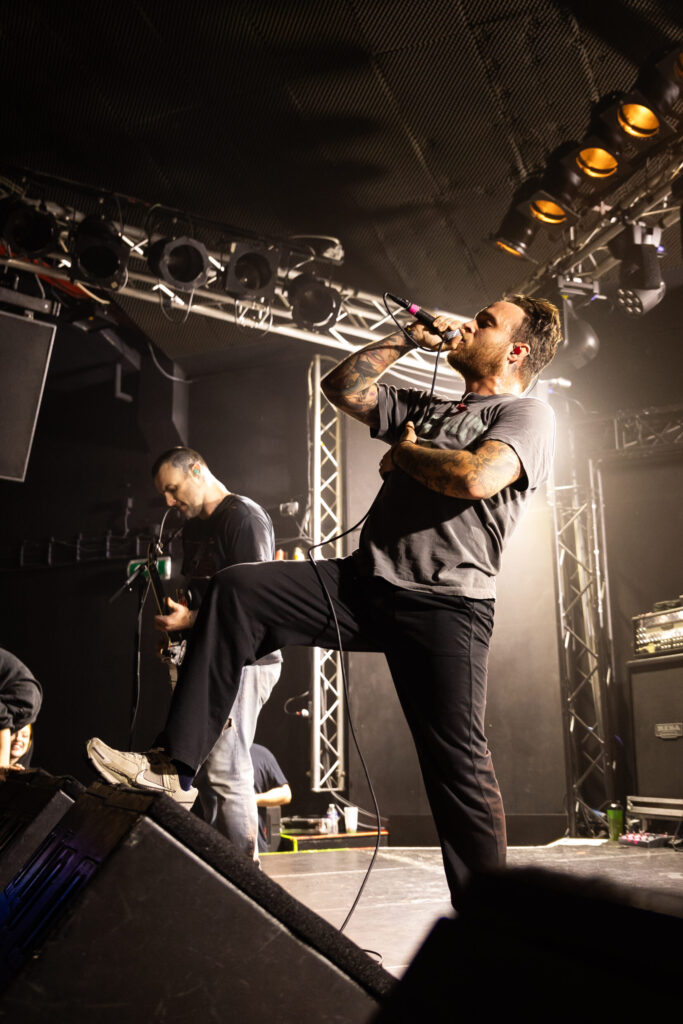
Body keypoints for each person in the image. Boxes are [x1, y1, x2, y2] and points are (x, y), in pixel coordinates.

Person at [88, 293, 562, 909]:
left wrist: (407, 454)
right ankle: (175, 766)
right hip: (363, 584)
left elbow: (475, 477)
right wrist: (403, 343)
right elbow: (347, 389)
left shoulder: (528, 414)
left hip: (445, 606)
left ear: (517, 349)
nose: (470, 324)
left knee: (458, 769)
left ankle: (492, 923)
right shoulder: (436, 404)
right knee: (240, 588)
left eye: (488, 322)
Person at [95, 448, 281, 861]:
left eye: (173, 489)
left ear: (197, 470)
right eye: (164, 493)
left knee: (228, 770)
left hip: (247, 658)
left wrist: (191, 620)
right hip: (209, 654)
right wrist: (177, 631)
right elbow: (197, 593)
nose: (168, 501)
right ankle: (216, 866)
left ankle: (245, 877)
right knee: (208, 770)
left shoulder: (243, 518)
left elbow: (256, 602)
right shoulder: (190, 531)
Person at [0, 648, 42, 768]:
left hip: (25, 696)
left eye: (24, 735)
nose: (19, 738)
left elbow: (3, 718)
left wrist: (2, 766)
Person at [251, 743, 291, 852]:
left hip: (255, 846)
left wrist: (252, 799)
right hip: (213, 843)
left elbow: (285, 794)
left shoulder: (260, 753)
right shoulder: (209, 750)